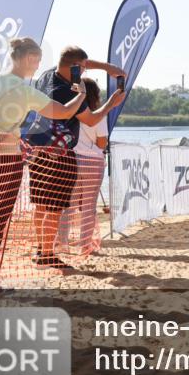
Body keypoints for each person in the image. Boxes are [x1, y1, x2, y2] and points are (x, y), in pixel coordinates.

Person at [0, 38, 86, 291]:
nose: (39, 65)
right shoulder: (25, 91)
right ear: (28, 58)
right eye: (37, 60)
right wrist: (81, 96)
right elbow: (63, 112)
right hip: (6, 160)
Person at [24, 47, 125, 270]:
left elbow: (78, 61)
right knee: (55, 207)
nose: (85, 70)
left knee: (41, 204)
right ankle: (47, 254)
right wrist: (111, 104)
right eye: (83, 67)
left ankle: (41, 250)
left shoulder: (47, 75)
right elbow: (90, 119)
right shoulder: (70, 93)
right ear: (76, 67)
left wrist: (107, 67)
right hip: (59, 154)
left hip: (38, 150)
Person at [65, 78, 109, 256]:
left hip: (72, 159)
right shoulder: (98, 115)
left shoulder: (68, 111)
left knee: (68, 205)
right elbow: (101, 143)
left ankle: (61, 242)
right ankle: (85, 245)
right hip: (92, 161)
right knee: (89, 206)